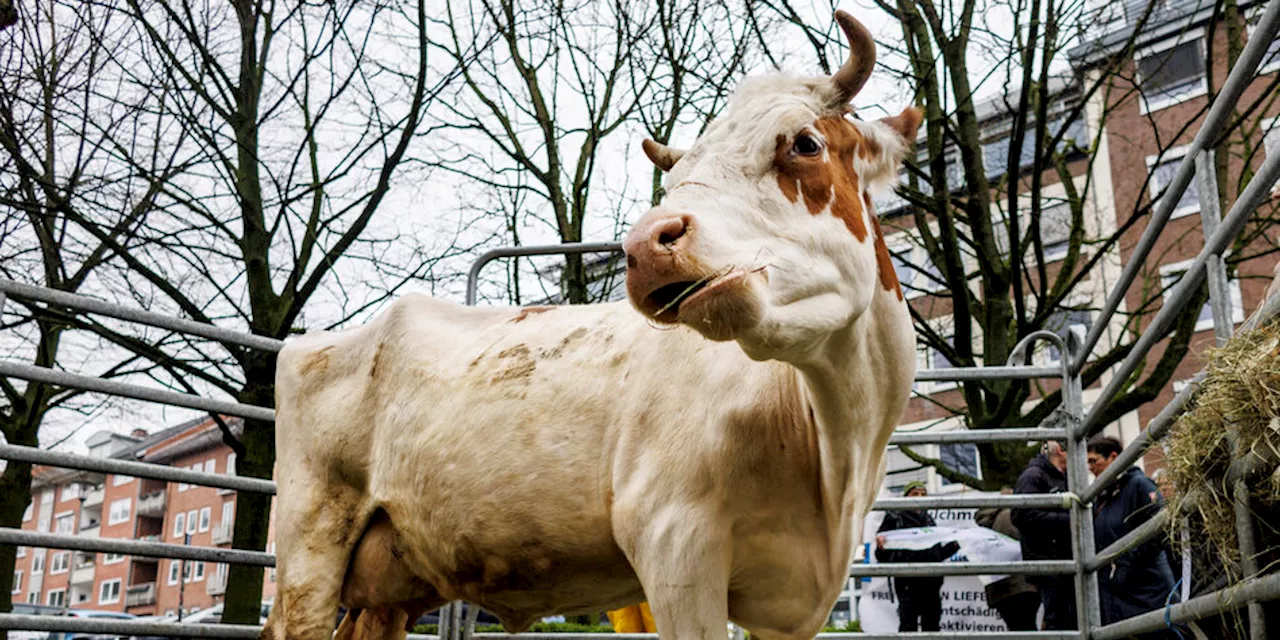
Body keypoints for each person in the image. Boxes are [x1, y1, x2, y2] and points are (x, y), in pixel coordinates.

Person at [1088, 436, 1178, 634]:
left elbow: (1161, 526)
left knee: (1160, 630)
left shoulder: (1139, 485)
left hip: (1147, 583)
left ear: (1113, 457)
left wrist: (1128, 563)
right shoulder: (1101, 497)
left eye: (1094, 461)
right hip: (1117, 589)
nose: (1090, 467)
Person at [876, 481, 961, 632]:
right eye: (915, 494)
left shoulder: (929, 521)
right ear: (906, 497)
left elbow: (937, 554)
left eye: (923, 495)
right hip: (907, 584)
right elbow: (882, 557)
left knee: (932, 626)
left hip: (931, 584)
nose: (919, 498)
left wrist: (955, 545)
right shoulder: (894, 519)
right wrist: (881, 547)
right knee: (908, 627)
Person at [1011, 441, 1075, 630]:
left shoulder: (1064, 477)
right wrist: (1070, 520)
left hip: (1063, 559)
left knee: (1070, 615)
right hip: (1048, 560)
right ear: (1061, 451)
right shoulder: (1033, 476)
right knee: (1059, 617)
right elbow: (1022, 515)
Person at [974, 488, 1041, 631]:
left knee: (1017, 628)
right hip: (1021, 584)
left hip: (999, 588)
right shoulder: (1010, 515)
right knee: (1027, 629)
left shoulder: (987, 524)